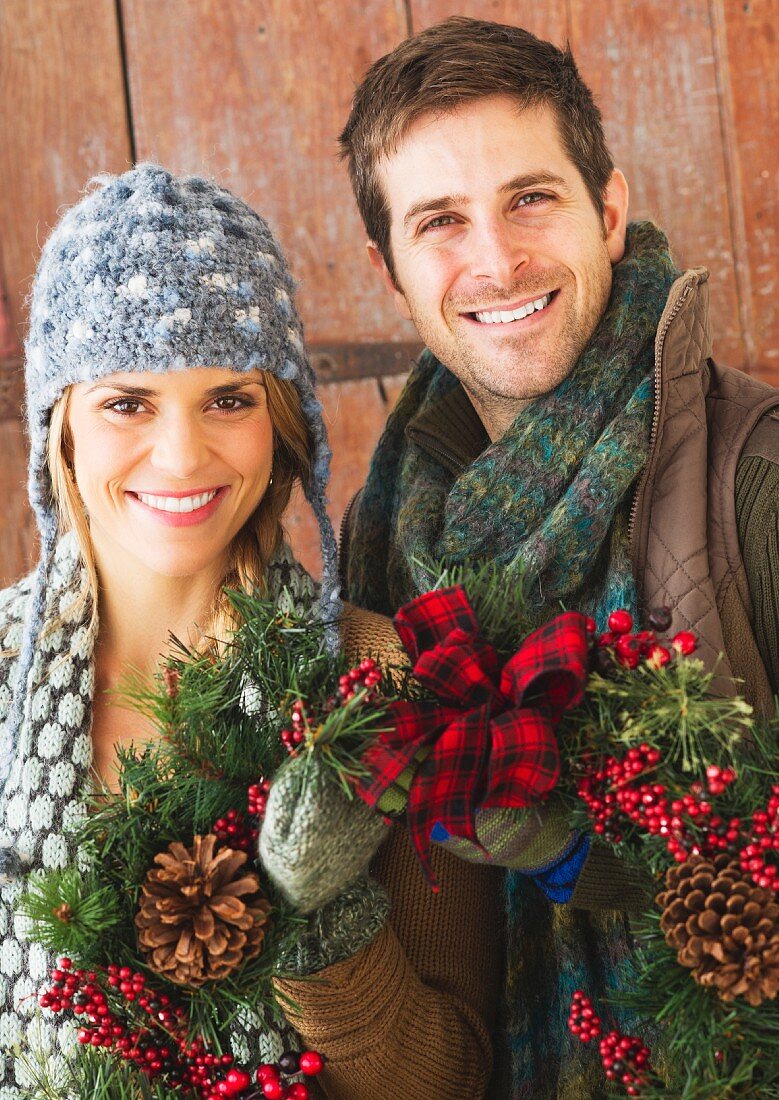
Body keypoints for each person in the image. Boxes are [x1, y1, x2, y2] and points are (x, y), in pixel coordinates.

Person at [274, 15, 779, 1100]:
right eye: (440, 221)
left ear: (607, 209)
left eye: (529, 197)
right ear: (387, 268)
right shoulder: (380, 536)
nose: (495, 259)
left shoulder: (755, 478)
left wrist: (581, 852)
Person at [0, 163, 383, 1095]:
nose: (181, 455)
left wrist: (319, 923)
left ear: (283, 421)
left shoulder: (368, 677)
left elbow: (449, 1076)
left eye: (229, 399)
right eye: (127, 403)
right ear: (64, 430)